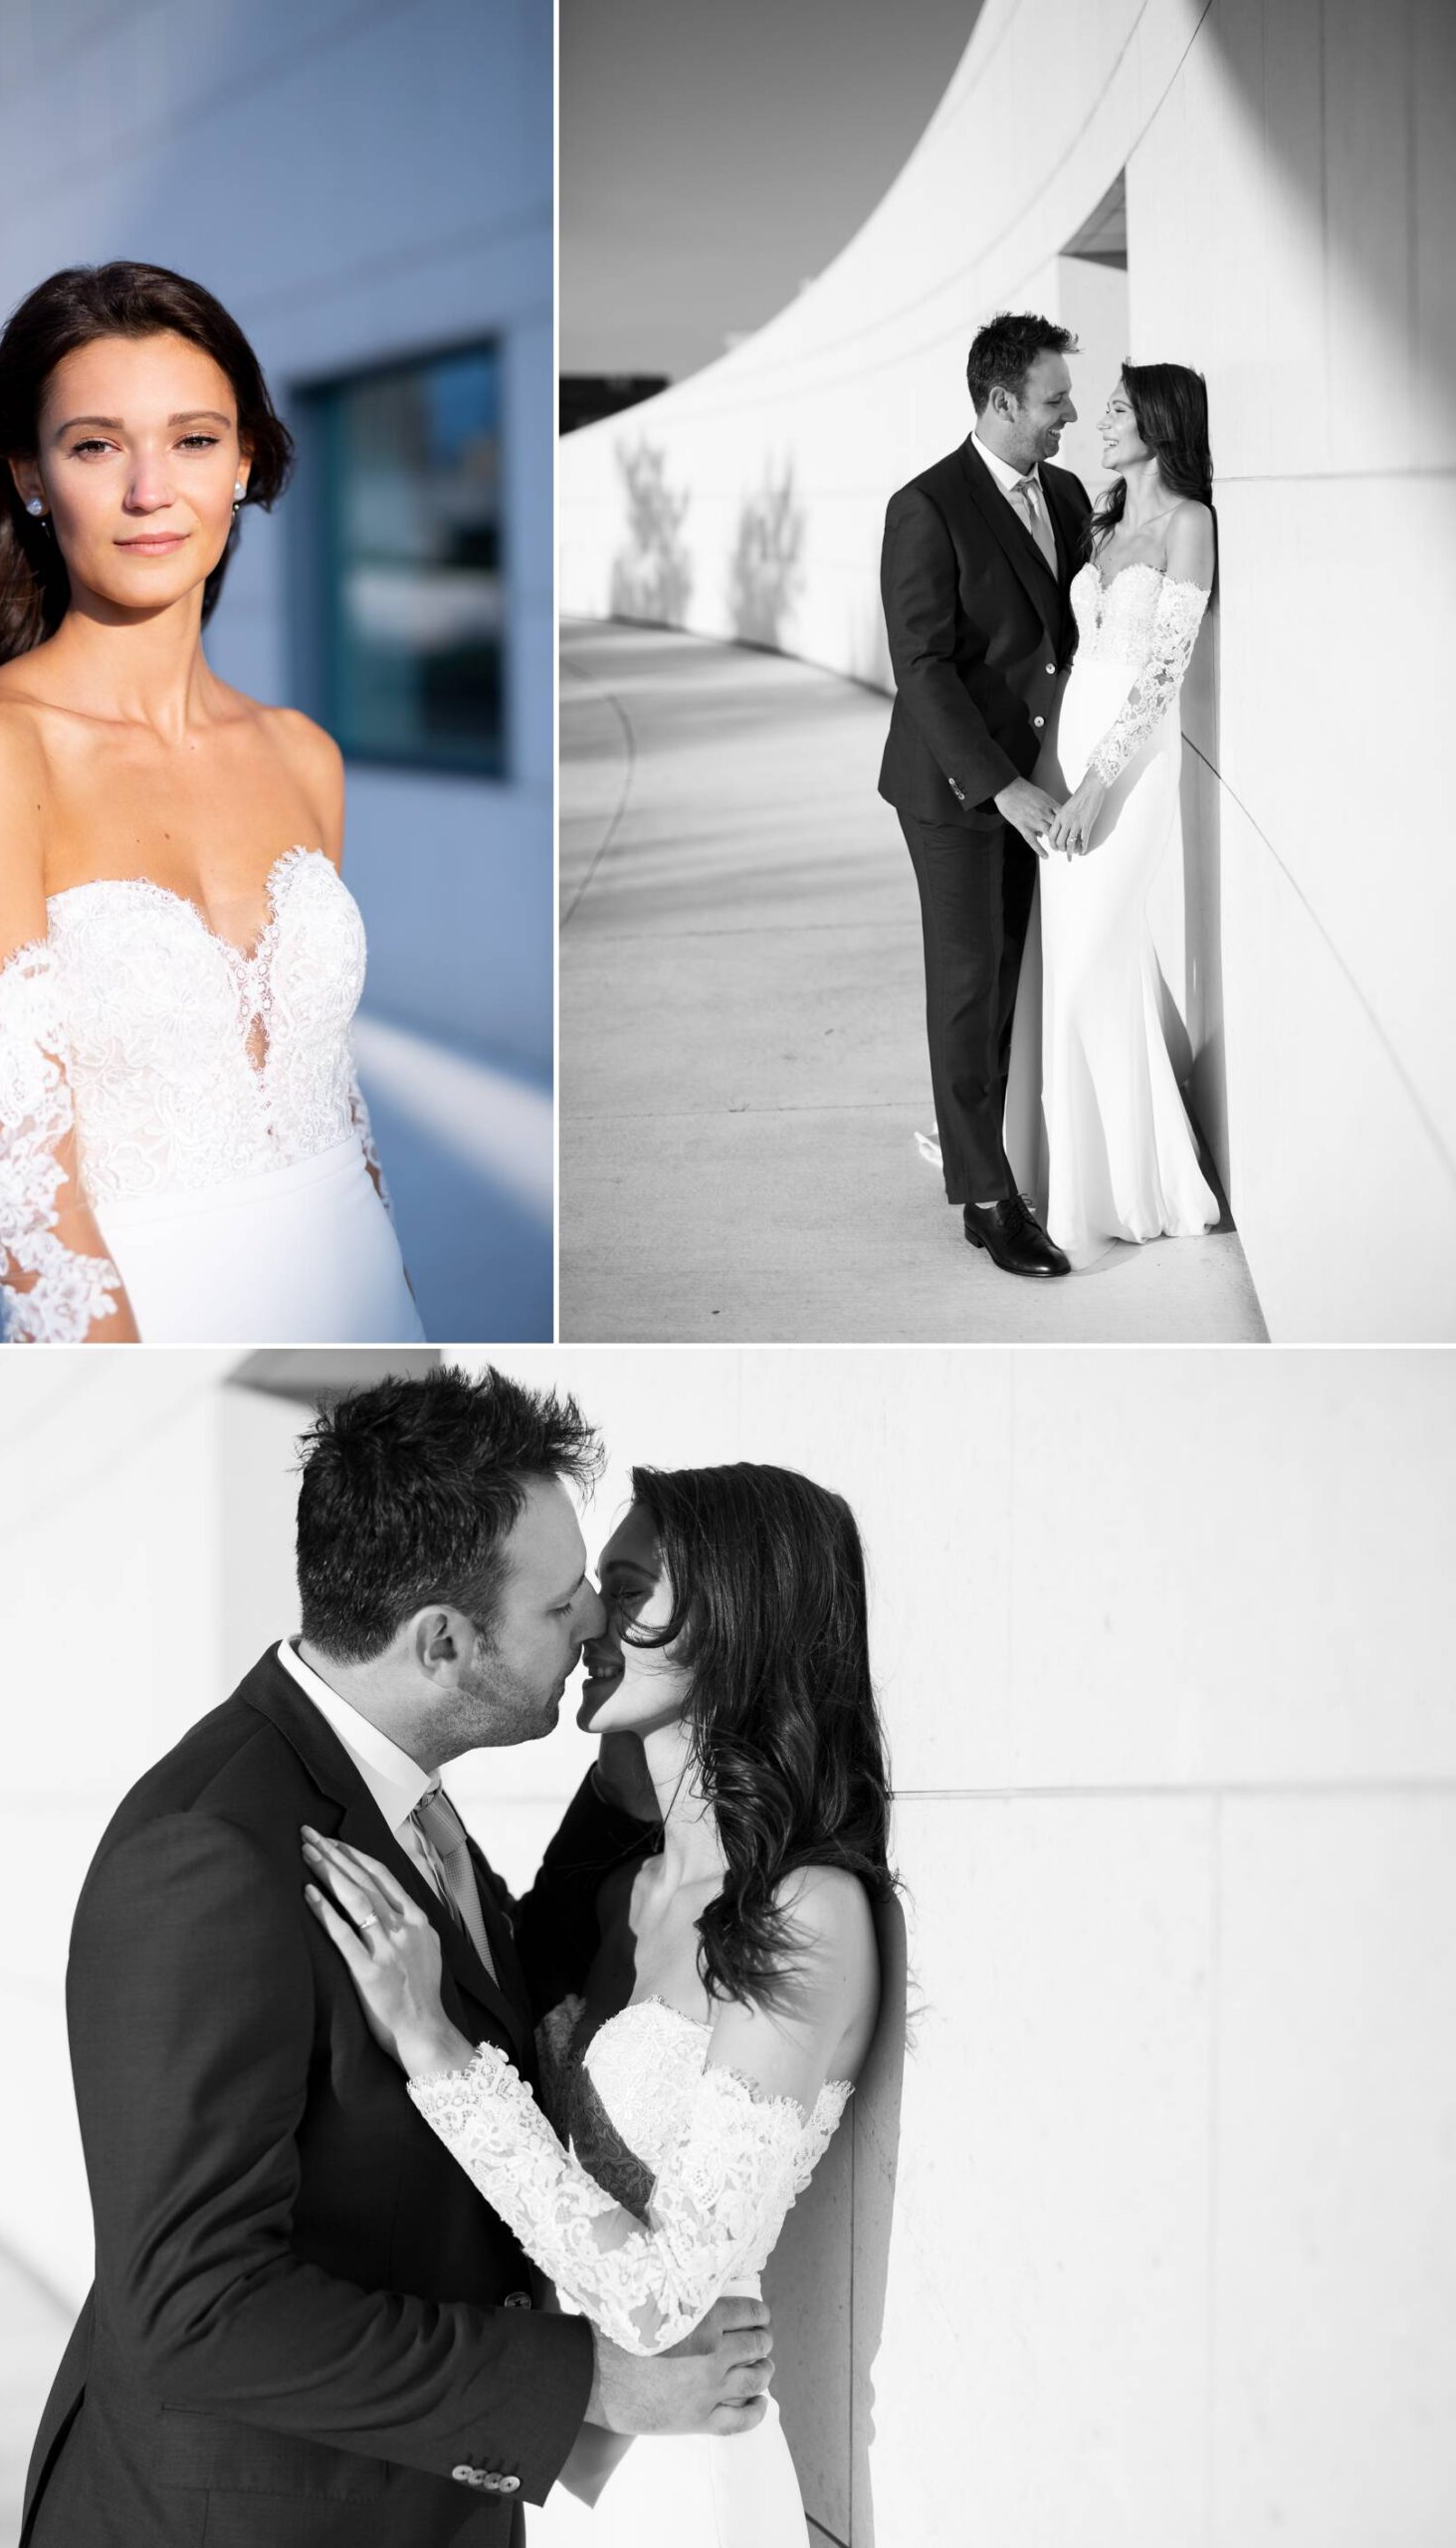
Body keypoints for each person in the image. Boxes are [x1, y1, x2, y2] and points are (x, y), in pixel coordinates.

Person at [19, 1368, 775, 2548]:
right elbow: (194, 2310)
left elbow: (506, 1982)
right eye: (564, 1600)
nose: (591, 1619)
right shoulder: (209, 1855)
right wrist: (587, 2382)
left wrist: (657, 1752)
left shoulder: (385, 1786)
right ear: (442, 1644)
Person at [305, 1460, 891, 2545]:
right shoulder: (620, 1890)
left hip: (683, 2481)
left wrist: (433, 2050)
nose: (585, 1620)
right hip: (564, 2467)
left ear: (737, 1620)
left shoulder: (804, 1910)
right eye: (587, 1592)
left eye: (624, 1591)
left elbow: (668, 2298)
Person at [0, 261, 421, 1345]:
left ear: (245, 463)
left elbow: (332, 1096)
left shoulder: (304, 754)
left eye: (195, 440)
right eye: (95, 445)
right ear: (31, 475)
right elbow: (20, 1182)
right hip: (149, 1317)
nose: (149, 489)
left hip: (368, 1297)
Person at [878, 312, 1089, 1279]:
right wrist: (1001, 786)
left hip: (1045, 784)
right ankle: (986, 1199)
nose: (1069, 416)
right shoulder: (923, 505)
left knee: (1016, 984)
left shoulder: (1072, 492)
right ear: (1001, 400)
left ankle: (992, 1164)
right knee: (968, 990)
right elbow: (920, 667)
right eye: (1053, 400)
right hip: (955, 791)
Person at [1003, 361, 1221, 1266]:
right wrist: (1059, 770)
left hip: (1128, 769)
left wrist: (1096, 784)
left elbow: (1165, 672)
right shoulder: (1099, 522)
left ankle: (1105, 1194)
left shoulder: (1188, 525)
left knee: (1093, 963)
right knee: (1092, 971)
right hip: (1070, 754)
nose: (1101, 421)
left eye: (1120, 409)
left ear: (1162, 422)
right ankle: (1126, 1187)